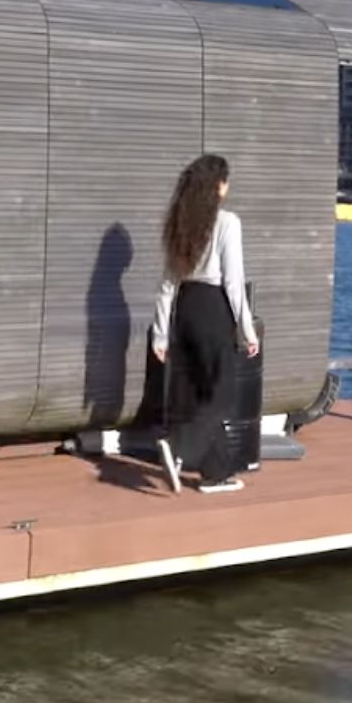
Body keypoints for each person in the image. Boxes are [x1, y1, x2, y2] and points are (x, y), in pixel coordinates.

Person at [152, 153, 259, 494]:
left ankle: (216, 473)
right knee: (222, 394)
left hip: (185, 309)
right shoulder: (228, 222)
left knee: (200, 391)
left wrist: (161, 334)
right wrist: (247, 328)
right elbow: (233, 281)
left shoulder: (180, 222)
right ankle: (178, 445)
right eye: (225, 180)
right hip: (213, 309)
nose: (228, 186)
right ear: (217, 186)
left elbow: (168, 283)